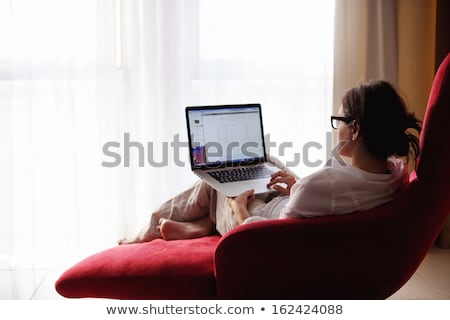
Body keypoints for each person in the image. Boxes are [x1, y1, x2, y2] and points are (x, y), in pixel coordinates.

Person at [119, 80, 421, 244]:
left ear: (355, 129)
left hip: (259, 222)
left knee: (217, 176)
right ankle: (201, 225)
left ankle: (145, 233)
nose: (335, 128)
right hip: (290, 207)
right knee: (264, 160)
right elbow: (322, 198)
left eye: (339, 119)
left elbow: (262, 239)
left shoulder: (321, 186)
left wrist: (239, 209)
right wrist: (296, 186)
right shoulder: (394, 172)